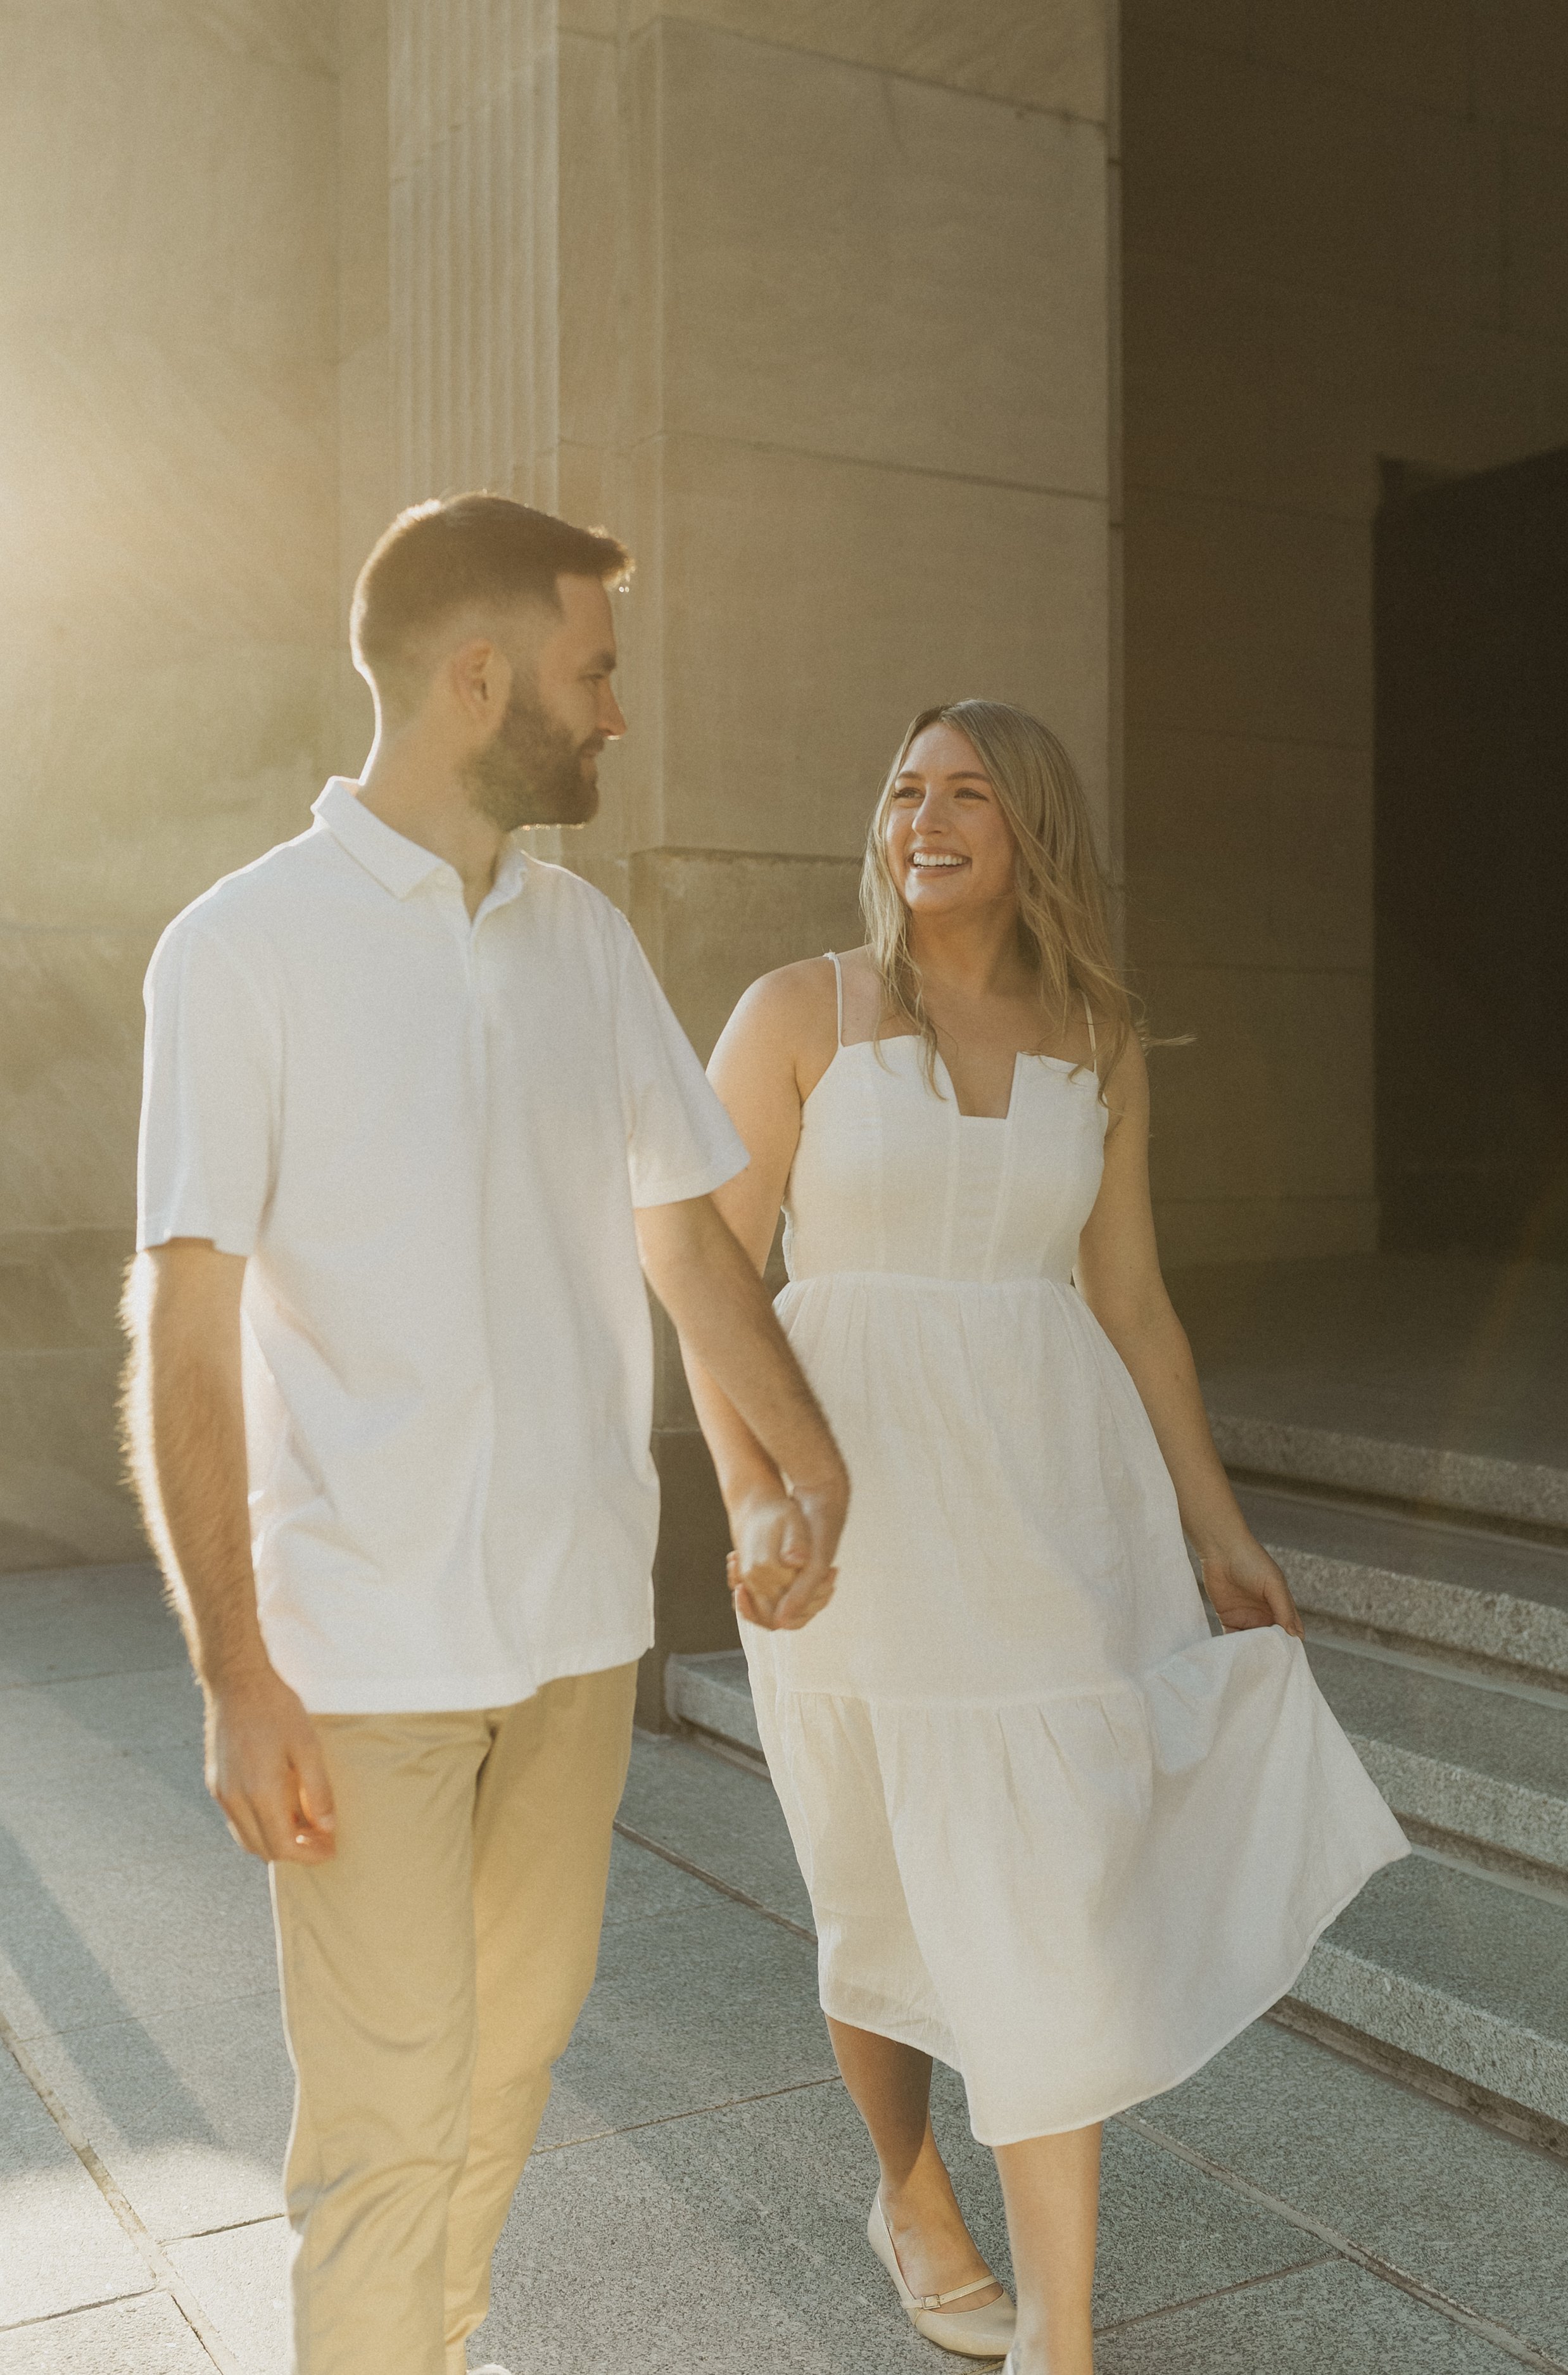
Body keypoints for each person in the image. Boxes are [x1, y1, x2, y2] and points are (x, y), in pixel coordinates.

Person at [121, 494, 848, 2375]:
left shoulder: (580, 938)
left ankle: (432, 2348)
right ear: (477, 678)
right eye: (591, 669)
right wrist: (235, 1672)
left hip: (576, 1633)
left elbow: (683, 1233)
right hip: (356, 1648)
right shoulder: (241, 950)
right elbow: (186, 1330)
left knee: (507, 2066)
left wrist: (801, 1457)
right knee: (380, 2128)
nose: (614, 711)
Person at [686, 699, 1408, 2375]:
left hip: (1047, 1503)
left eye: (965, 795)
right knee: (873, 1879)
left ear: (1036, 834)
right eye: (902, 790)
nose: (921, 818)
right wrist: (753, 1490)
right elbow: (711, 1275)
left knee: (1038, 1889)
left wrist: (1214, 1531)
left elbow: (1132, 1300)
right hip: (849, 1502)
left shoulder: (1097, 1032)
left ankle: (1060, 2335)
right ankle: (911, 2192)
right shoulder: (796, 1010)